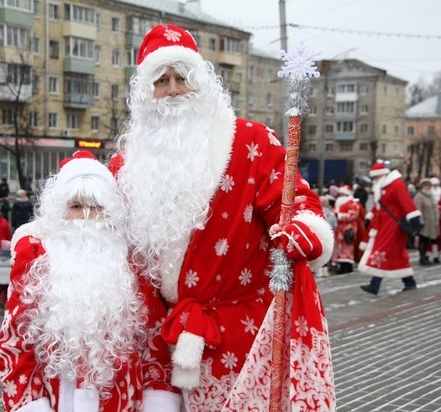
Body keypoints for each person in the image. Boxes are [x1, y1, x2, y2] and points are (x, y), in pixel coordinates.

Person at [111, 24, 336, 410]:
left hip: (241, 337)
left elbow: (291, 196)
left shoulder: (252, 141)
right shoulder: (124, 167)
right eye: (161, 80)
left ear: (201, 82)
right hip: (158, 344)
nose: (173, 89)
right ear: (145, 94)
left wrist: (304, 228)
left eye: (182, 77)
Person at [0, 150, 149, 411]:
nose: (87, 216)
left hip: (121, 400)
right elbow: (15, 342)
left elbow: (152, 340)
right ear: (61, 210)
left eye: (96, 207)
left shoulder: (131, 261)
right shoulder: (36, 258)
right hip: (57, 399)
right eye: (77, 207)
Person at [359, 162, 422, 295]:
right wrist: (369, 217)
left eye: (376, 177)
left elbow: (406, 202)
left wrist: (414, 218)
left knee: (383, 250)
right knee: (395, 253)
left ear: (382, 175)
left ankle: (374, 284)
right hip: (384, 225)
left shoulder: (396, 184)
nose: (375, 180)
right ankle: (409, 282)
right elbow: (379, 206)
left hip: (394, 225)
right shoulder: (381, 186)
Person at [332, 185, 363, 274]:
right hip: (339, 229)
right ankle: (341, 266)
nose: (341, 196)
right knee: (340, 247)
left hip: (348, 229)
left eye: (342, 194)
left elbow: (353, 215)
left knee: (347, 247)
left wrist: (340, 216)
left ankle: (347, 267)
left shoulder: (353, 203)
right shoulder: (338, 203)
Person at [413, 178, 439, 265]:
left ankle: (433, 256)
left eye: (428, 185)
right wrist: (420, 221)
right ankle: (422, 258)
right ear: (422, 186)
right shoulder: (419, 196)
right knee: (423, 240)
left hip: (432, 222)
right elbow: (417, 209)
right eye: (425, 185)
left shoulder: (431, 195)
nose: (427, 187)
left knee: (432, 240)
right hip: (424, 222)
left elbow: (434, 208)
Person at [0, 239, 11, 309]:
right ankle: (7, 304)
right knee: (8, 291)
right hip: (8, 278)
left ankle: (1, 300)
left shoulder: (0, 258)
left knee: (3, 291)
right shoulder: (11, 258)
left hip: (1, 279)